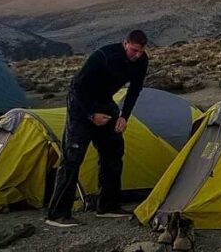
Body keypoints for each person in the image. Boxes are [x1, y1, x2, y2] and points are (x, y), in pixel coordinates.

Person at [45, 29, 149, 228]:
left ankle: (108, 205)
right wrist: (91, 114)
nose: (137, 55)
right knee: (72, 158)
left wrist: (124, 116)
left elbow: (135, 89)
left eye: (140, 51)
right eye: (134, 50)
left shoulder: (141, 61)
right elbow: (77, 86)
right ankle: (57, 213)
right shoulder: (104, 56)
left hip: (105, 103)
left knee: (113, 152)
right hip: (81, 105)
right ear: (125, 43)